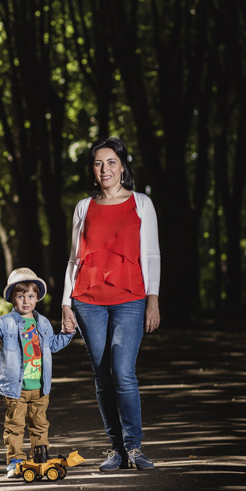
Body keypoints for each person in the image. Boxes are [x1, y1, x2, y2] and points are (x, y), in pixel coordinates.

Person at [61, 136, 160, 472]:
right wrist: (65, 302)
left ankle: (134, 447)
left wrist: (153, 299)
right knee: (103, 375)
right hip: (87, 300)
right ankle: (116, 449)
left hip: (130, 298)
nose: (105, 169)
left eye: (111, 162)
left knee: (123, 371)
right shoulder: (83, 207)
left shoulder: (141, 203)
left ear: (123, 167)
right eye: (98, 163)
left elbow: (151, 254)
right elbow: (74, 259)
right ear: (93, 170)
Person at [0, 267, 74, 479]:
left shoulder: (43, 322)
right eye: (20, 296)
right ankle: (15, 461)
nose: (26, 301)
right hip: (15, 387)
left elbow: (53, 345)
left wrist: (67, 333)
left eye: (30, 296)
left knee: (40, 425)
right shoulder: (6, 322)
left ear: (37, 298)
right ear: (12, 298)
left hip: (40, 387)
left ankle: (39, 457)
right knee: (15, 426)